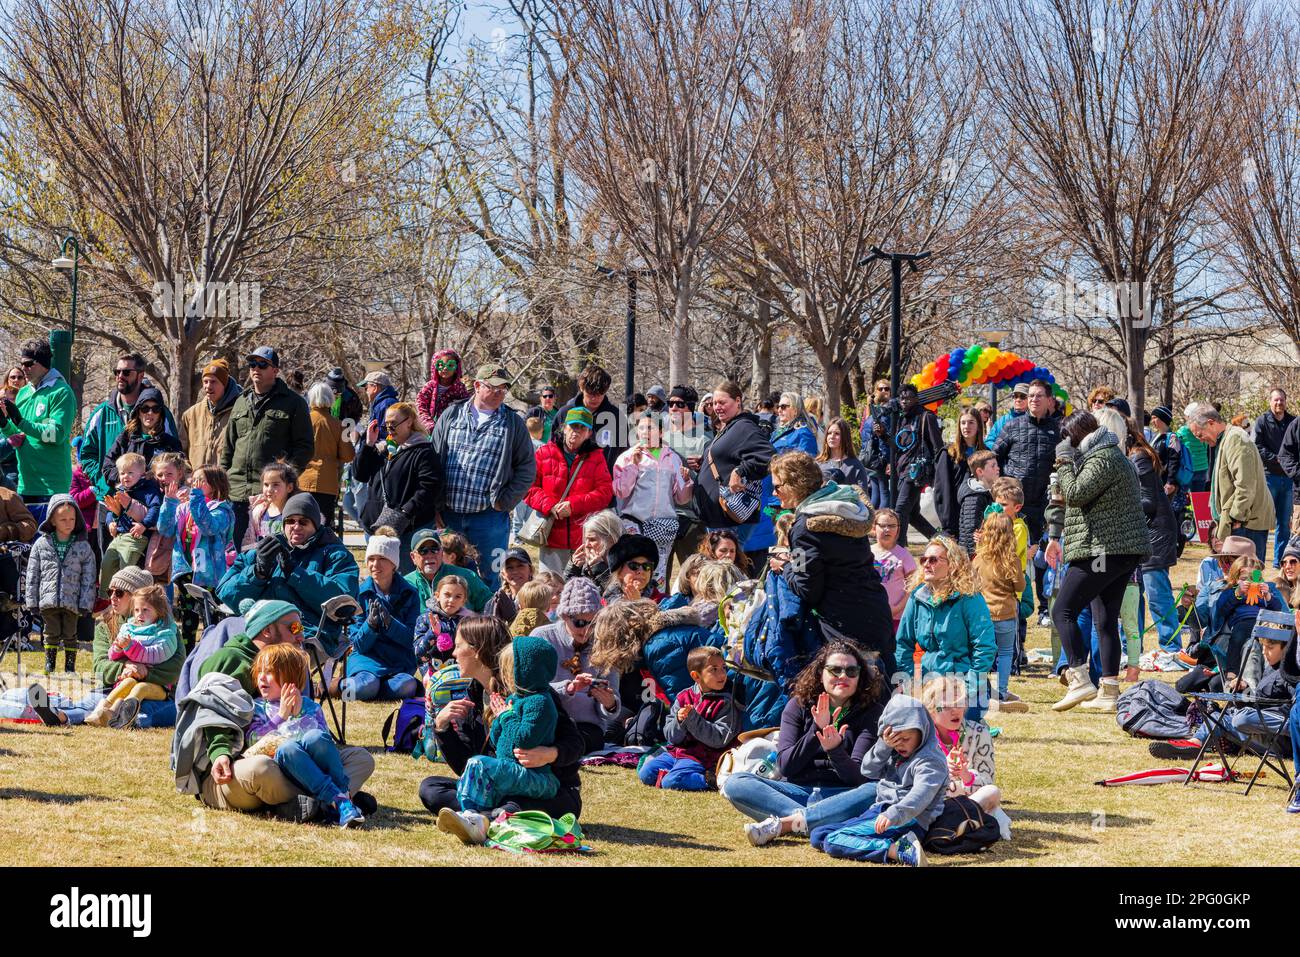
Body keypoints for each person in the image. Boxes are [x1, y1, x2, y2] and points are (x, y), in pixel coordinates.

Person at [192, 598, 375, 818]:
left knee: (361, 758)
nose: (301, 635)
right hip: (231, 767)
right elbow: (211, 713)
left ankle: (323, 801)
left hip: (292, 758)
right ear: (268, 630)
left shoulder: (290, 661)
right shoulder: (230, 660)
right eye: (294, 628)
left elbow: (312, 734)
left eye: (302, 628)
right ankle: (335, 798)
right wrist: (220, 753)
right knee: (262, 769)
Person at [419, 618, 584, 838]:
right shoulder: (474, 694)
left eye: (459, 646)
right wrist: (442, 728)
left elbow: (576, 743)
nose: (453, 654)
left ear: (477, 651)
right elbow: (467, 766)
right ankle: (486, 816)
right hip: (500, 784)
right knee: (431, 789)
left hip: (548, 788)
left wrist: (550, 754)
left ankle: (481, 818)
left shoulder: (531, 693)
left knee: (512, 805)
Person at [725, 642, 886, 846]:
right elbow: (786, 765)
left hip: (843, 796)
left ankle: (789, 823)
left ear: (860, 677)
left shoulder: (872, 712)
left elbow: (857, 779)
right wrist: (815, 732)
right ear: (821, 673)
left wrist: (835, 750)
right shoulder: (798, 705)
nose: (843, 676)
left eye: (851, 671)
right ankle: (811, 821)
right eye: (835, 670)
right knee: (736, 782)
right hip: (797, 791)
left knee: (876, 790)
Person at [1048, 410, 1151, 713]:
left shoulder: (1102, 457)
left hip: (1103, 551)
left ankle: (1078, 678)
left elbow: (1076, 494)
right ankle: (1110, 689)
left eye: (1067, 439)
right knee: (1105, 619)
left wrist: (1065, 462)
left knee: (1062, 609)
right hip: (1117, 551)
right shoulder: (1111, 456)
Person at [768, 451, 894, 660]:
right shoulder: (846, 508)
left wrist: (785, 566)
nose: (774, 493)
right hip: (876, 610)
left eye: (777, 486)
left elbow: (807, 588)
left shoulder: (803, 528)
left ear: (794, 485)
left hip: (844, 624)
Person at [20, 566, 180, 729]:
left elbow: (175, 667)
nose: (112, 597)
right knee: (91, 703)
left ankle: (129, 722)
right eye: (110, 592)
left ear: (137, 595)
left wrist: (144, 671)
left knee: (144, 710)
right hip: (114, 688)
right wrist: (123, 668)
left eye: (119, 593)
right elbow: (100, 665)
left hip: (156, 694)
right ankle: (59, 716)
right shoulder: (105, 627)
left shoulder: (165, 628)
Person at [440, 634, 561, 837]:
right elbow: (498, 741)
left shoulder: (540, 702)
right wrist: (497, 720)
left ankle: (473, 817)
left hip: (538, 778)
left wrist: (506, 716)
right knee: (461, 776)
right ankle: (472, 815)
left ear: (526, 670)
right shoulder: (517, 698)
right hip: (510, 772)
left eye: (509, 670)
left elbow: (525, 738)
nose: (506, 675)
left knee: (478, 763)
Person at [429, 363, 536, 592]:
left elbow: (527, 469)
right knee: (447, 577)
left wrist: (504, 502)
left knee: (491, 579)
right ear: (477, 386)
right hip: (449, 515)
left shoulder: (513, 423)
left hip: (489, 518)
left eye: (503, 389)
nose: (499, 393)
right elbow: (434, 460)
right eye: (493, 387)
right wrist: (435, 506)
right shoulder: (451, 415)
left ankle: (488, 625)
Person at [808, 694, 945, 866]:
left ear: (923, 731)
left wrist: (895, 813)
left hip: (907, 819)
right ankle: (891, 846)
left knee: (832, 840)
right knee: (818, 835)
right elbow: (868, 770)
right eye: (895, 739)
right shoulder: (892, 749)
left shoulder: (931, 760)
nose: (900, 744)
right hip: (879, 812)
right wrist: (884, 746)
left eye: (906, 739)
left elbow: (921, 794)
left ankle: (899, 850)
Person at [244, 643, 364, 828]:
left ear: (290, 676)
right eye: (259, 671)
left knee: (315, 736)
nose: (261, 677)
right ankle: (341, 799)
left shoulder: (310, 706)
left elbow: (325, 745)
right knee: (288, 748)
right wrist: (281, 716)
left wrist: (300, 715)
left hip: (315, 769)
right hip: (285, 771)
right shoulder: (258, 707)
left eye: (269, 672)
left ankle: (337, 802)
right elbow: (252, 740)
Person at [217, 492, 359, 640]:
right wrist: (257, 573)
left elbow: (343, 603)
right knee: (222, 632)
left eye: (303, 522)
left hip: (304, 629)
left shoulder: (335, 554)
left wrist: (295, 573)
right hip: (259, 624)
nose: (296, 526)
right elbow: (225, 594)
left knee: (269, 648)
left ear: (316, 526)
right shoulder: (266, 549)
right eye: (290, 521)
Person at [222, 347, 314, 550]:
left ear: (275, 370)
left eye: (263, 364)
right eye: (252, 364)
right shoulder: (240, 401)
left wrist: (285, 480)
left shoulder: (294, 403)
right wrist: (222, 481)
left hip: (269, 498)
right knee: (235, 554)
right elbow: (228, 447)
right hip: (235, 494)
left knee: (266, 553)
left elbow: (305, 447)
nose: (256, 369)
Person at [895, 535, 995, 718]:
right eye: (924, 559)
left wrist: (968, 689)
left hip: (962, 681)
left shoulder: (969, 598)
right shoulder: (917, 597)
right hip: (928, 683)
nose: (926, 564)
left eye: (933, 560)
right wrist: (911, 683)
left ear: (953, 565)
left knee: (955, 733)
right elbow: (902, 644)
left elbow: (985, 647)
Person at [353, 401, 440, 571]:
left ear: (409, 422)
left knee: (404, 577)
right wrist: (369, 444)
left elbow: (430, 487)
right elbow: (360, 475)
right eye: (386, 425)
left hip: (406, 528)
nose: (389, 429)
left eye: (393, 424)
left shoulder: (423, 451)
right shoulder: (383, 449)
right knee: (379, 576)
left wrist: (406, 512)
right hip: (377, 525)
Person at [525, 406, 614, 574]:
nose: (576, 432)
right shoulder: (544, 453)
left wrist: (572, 506)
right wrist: (550, 505)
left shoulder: (596, 456)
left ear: (589, 433)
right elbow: (528, 488)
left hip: (584, 539)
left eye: (582, 428)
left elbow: (605, 493)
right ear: (564, 428)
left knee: (582, 591)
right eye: (573, 426)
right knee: (551, 590)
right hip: (551, 537)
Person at [637, 646, 738, 791]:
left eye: (723, 667)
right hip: (678, 752)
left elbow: (720, 739)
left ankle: (711, 780)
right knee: (646, 773)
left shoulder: (726, 702)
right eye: (713, 669)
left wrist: (693, 720)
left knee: (672, 782)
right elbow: (671, 737)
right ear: (696, 676)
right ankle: (676, 773)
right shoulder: (684, 697)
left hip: (705, 757)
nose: (722, 674)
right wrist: (678, 721)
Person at [535, 576, 616, 754]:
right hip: (550, 720)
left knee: (584, 740)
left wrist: (609, 704)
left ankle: (552, 754)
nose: (586, 630)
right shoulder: (542, 638)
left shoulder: (606, 643)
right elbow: (531, 690)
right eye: (579, 623)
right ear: (564, 616)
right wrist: (569, 688)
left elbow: (611, 711)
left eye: (593, 623)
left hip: (587, 727)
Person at [81, 351, 178, 499]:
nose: (120, 376)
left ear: (140, 376)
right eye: (117, 372)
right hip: (109, 498)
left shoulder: (161, 414)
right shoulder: (101, 413)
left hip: (150, 501)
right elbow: (87, 454)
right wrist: (102, 479)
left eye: (126, 372)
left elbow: (175, 458)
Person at [611, 411, 693, 586]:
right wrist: (633, 465)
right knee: (633, 572)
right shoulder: (626, 457)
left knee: (658, 576)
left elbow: (681, 499)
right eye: (640, 428)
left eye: (650, 427)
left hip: (663, 528)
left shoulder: (673, 458)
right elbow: (620, 491)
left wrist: (686, 482)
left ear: (661, 432)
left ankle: (656, 608)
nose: (645, 432)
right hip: (635, 524)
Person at [1186, 401, 1274, 561]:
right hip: (1241, 522)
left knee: (1251, 576)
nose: (1200, 440)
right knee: (1236, 578)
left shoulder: (1235, 439)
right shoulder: (1224, 441)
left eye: (1199, 434)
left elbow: (1245, 485)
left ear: (1211, 423)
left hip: (1246, 523)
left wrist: (1236, 518)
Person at [1123, 416, 1182, 655]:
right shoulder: (1129, 456)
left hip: (1155, 532)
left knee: (1157, 593)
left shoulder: (1139, 456)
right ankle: (1132, 647)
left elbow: (1147, 500)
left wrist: (1120, 507)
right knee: (1132, 593)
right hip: (1139, 532)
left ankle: (1171, 646)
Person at [922, 674, 1008, 834]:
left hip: (969, 802)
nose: (956, 711)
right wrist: (943, 768)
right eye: (947, 706)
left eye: (960, 704)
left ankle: (957, 825)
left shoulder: (980, 733)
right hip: (934, 806)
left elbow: (987, 781)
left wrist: (966, 774)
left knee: (992, 792)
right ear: (932, 711)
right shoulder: (922, 736)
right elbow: (918, 785)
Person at [1, 339, 76, 522]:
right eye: (22, 364)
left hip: (51, 486)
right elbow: (18, 435)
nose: (23, 368)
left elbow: (56, 434)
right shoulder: (24, 393)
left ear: (42, 363)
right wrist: (4, 424)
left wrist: (21, 421)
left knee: (48, 548)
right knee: (27, 547)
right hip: (25, 484)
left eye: (28, 364)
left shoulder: (61, 392)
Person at [343, 532, 421, 701]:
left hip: (397, 661)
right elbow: (357, 644)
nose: (375, 565)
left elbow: (412, 640)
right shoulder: (359, 593)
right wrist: (370, 626)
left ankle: (376, 688)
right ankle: (342, 686)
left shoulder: (410, 593)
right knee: (365, 686)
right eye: (371, 559)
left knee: (408, 686)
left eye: (382, 559)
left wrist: (390, 623)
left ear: (394, 564)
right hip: (366, 659)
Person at [85, 584, 178, 726]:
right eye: (137, 610)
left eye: (145, 610)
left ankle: (126, 718)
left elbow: (158, 655)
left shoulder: (165, 632)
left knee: (142, 695)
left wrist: (131, 650)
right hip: (127, 680)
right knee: (125, 685)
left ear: (158, 611)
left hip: (158, 688)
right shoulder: (129, 628)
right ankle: (104, 710)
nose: (140, 614)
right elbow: (106, 660)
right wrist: (118, 649)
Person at [25, 494, 96, 674]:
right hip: (48, 599)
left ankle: (70, 665)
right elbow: (32, 574)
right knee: (51, 632)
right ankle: (50, 663)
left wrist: (86, 603)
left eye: (72, 518)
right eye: (63, 519)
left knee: (71, 633)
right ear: (53, 520)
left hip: (72, 600)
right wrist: (31, 601)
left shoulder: (83, 547)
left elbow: (89, 577)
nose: (68, 522)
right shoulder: (41, 544)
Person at [692, 381, 773, 538]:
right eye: (714, 403)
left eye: (722, 402)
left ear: (737, 401)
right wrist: (703, 465)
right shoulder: (729, 427)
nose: (717, 407)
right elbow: (729, 459)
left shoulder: (744, 427)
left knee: (729, 563)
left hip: (730, 520)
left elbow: (768, 456)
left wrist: (740, 471)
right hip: (718, 521)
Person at [746, 393, 818, 565]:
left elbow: (805, 469)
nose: (779, 410)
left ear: (796, 408)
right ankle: (777, 576)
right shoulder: (777, 431)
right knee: (777, 537)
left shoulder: (803, 433)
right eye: (779, 406)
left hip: (789, 498)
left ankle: (798, 573)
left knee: (792, 536)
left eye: (785, 406)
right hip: (770, 499)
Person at [992, 378, 1061, 543]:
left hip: (1043, 506)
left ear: (1049, 400)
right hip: (1013, 504)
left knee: (1038, 559)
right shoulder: (1012, 426)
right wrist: (1001, 488)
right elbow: (995, 457)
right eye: (1030, 396)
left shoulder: (1058, 430)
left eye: (1039, 396)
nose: (1033, 400)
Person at [971, 511, 1026, 712]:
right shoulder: (1011, 559)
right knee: (1005, 653)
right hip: (1006, 614)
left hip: (983, 616)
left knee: (982, 655)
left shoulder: (979, 559)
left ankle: (981, 692)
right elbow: (1020, 586)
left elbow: (972, 584)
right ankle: (1001, 692)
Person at [98, 452, 163, 596]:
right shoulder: (120, 490)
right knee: (106, 563)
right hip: (119, 536)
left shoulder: (148, 490)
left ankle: (127, 596)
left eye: (130, 473)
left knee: (126, 565)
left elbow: (155, 508)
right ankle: (106, 596)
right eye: (122, 473)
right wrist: (110, 522)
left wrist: (144, 524)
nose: (125, 476)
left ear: (142, 473)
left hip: (135, 536)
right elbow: (111, 510)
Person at [555, 363, 627, 478]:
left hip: (603, 485)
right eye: (591, 393)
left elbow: (624, 456)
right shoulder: (565, 413)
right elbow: (553, 451)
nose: (595, 398)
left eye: (600, 394)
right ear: (581, 388)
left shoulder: (618, 417)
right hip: (567, 483)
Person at [102, 386, 183, 485]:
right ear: (138, 412)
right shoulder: (125, 438)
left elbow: (181, 471)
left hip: (160, 497)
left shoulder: (171, 443)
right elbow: (107, 467)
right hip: (128, 496)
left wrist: (156, 477)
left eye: (155, 409)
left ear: (160, 414)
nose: (150, 413)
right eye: (145, 408)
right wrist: (127, 477)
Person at [299, 381, 353, 525]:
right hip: (328, 483)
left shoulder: (301, 421)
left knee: (302, 524)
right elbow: (348, 455)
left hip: (303, 480)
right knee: (322, 526)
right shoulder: (340, 425)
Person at [404, 528, 492, 612]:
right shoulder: (405, 584)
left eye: (434, 549)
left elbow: (491, 607)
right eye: (423, 551)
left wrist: (472, 619)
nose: (429, 555)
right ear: (413, 557)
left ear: (441, 552)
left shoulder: (466, 576)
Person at [179, 358, 242, 470]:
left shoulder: (240, 412)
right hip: (196, 483)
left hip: (225, 484)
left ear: (224, 384)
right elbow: (181, 452)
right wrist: (188, 473)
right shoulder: (190, 415)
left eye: (213, 382)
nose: (208, 386)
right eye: (205, 381)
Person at [1255, 388, 1294, 568]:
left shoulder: (1293, 422)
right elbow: (1257, 446)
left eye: (1281, 400)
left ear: (1286, 401)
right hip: (1268, 478)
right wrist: (1275, 458)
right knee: (1264, 522)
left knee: (1284, 524)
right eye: (1276, 400)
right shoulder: (1262, 421)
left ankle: (1280, 561)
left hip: (1288, 479)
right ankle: (1259, 560)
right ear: (1270, 401)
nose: (1279, 403)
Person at [933, 406, 985, 537]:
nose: (966, 426)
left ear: (979, 425)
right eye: (963, 423)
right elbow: (942, 490)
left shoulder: (986, 453)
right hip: (955, 518)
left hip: (979, 518)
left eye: (971, 422)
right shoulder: (948, 453)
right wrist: (948, 523)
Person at [413, 574, 475, 673]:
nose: (451, 600)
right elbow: (418, 652)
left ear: (463, 601)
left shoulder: (467, 622)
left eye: (458, 597)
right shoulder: (425, 619)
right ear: (437, 596)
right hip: (433, 674)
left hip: (460, 675)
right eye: (447, 595)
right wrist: (433, 633)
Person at [871, 508, 916, 631]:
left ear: (898, 530)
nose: (887, 529)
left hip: (897, 616)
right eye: (883, 525)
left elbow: (913, 585)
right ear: (874, 528)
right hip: (872, 613)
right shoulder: (867, 553)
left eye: (891, 526)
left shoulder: (903, 555)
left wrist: (898, 607)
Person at [564, 508, 623, 591]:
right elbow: (567, 597)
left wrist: (599, 570)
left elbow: (615, 597)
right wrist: (573, 569)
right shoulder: (583, 565)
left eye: (592, 540)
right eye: (585, 539)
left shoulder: (627, 566)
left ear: (611, 540)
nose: (586, 545)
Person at [242, 462, 298, 549]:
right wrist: (247, 558)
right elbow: (249, 540)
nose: (269, 490)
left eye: (275, 485)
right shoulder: (257, 512)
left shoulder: (297, 514)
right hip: (261, 560)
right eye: (266, 484)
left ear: (289, 487)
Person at [416, 348, 471, 432]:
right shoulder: (429, 386)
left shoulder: (460, 388)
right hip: (431, 429)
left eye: (450, 365)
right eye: (441, 365)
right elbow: (421, 405)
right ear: (435, 367)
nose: (445, 368)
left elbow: (466, 406)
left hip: (453, 428)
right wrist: (429, 424)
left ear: (456, 368)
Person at [957, 449, 999, 556]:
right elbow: (971, 532)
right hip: (974, 557)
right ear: (980, 472)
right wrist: (975, 558)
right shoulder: (974, 497)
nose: (998, 469)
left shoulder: (985, 493)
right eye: (993, 466)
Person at [603, 533, 665, 603]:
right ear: (619, 571)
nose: (641, 571)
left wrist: (637, 603)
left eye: (646, 566)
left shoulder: (664, 602)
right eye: (634, 565)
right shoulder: (605, 601)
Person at [817, 417, 869, 499]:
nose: (832, 436)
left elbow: (863, 497)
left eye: (837, 433)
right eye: (829, 433)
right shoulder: (818, 464)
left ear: (845, 437)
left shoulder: (855, 465)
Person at [0, 365, 25, 490]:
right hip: (8, 470)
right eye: (12, 377)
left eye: (20, 377)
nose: (16, 380)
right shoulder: (2, 403)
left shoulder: (29, 406)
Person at [1177, 405, 1211, 493]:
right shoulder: (1204, 428)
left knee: (1185, 498)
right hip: (1203, 467)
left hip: (1188, 468)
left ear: (1188, 416)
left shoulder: (1183, 431)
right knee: (1198, 497)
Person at [984, 383, 1029, 449]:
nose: (1018, 399)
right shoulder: (1002, 420)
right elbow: (989, 441)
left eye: (1022, 396)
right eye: (1015, 396)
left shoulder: (1035, 419)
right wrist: (1002, 451)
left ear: (1030, 399)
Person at [359, 370, 399, 438]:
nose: (366, 391)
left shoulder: (386, 404)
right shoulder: (382, 403)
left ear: (375, 388)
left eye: (366, 388)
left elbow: (388, 433)